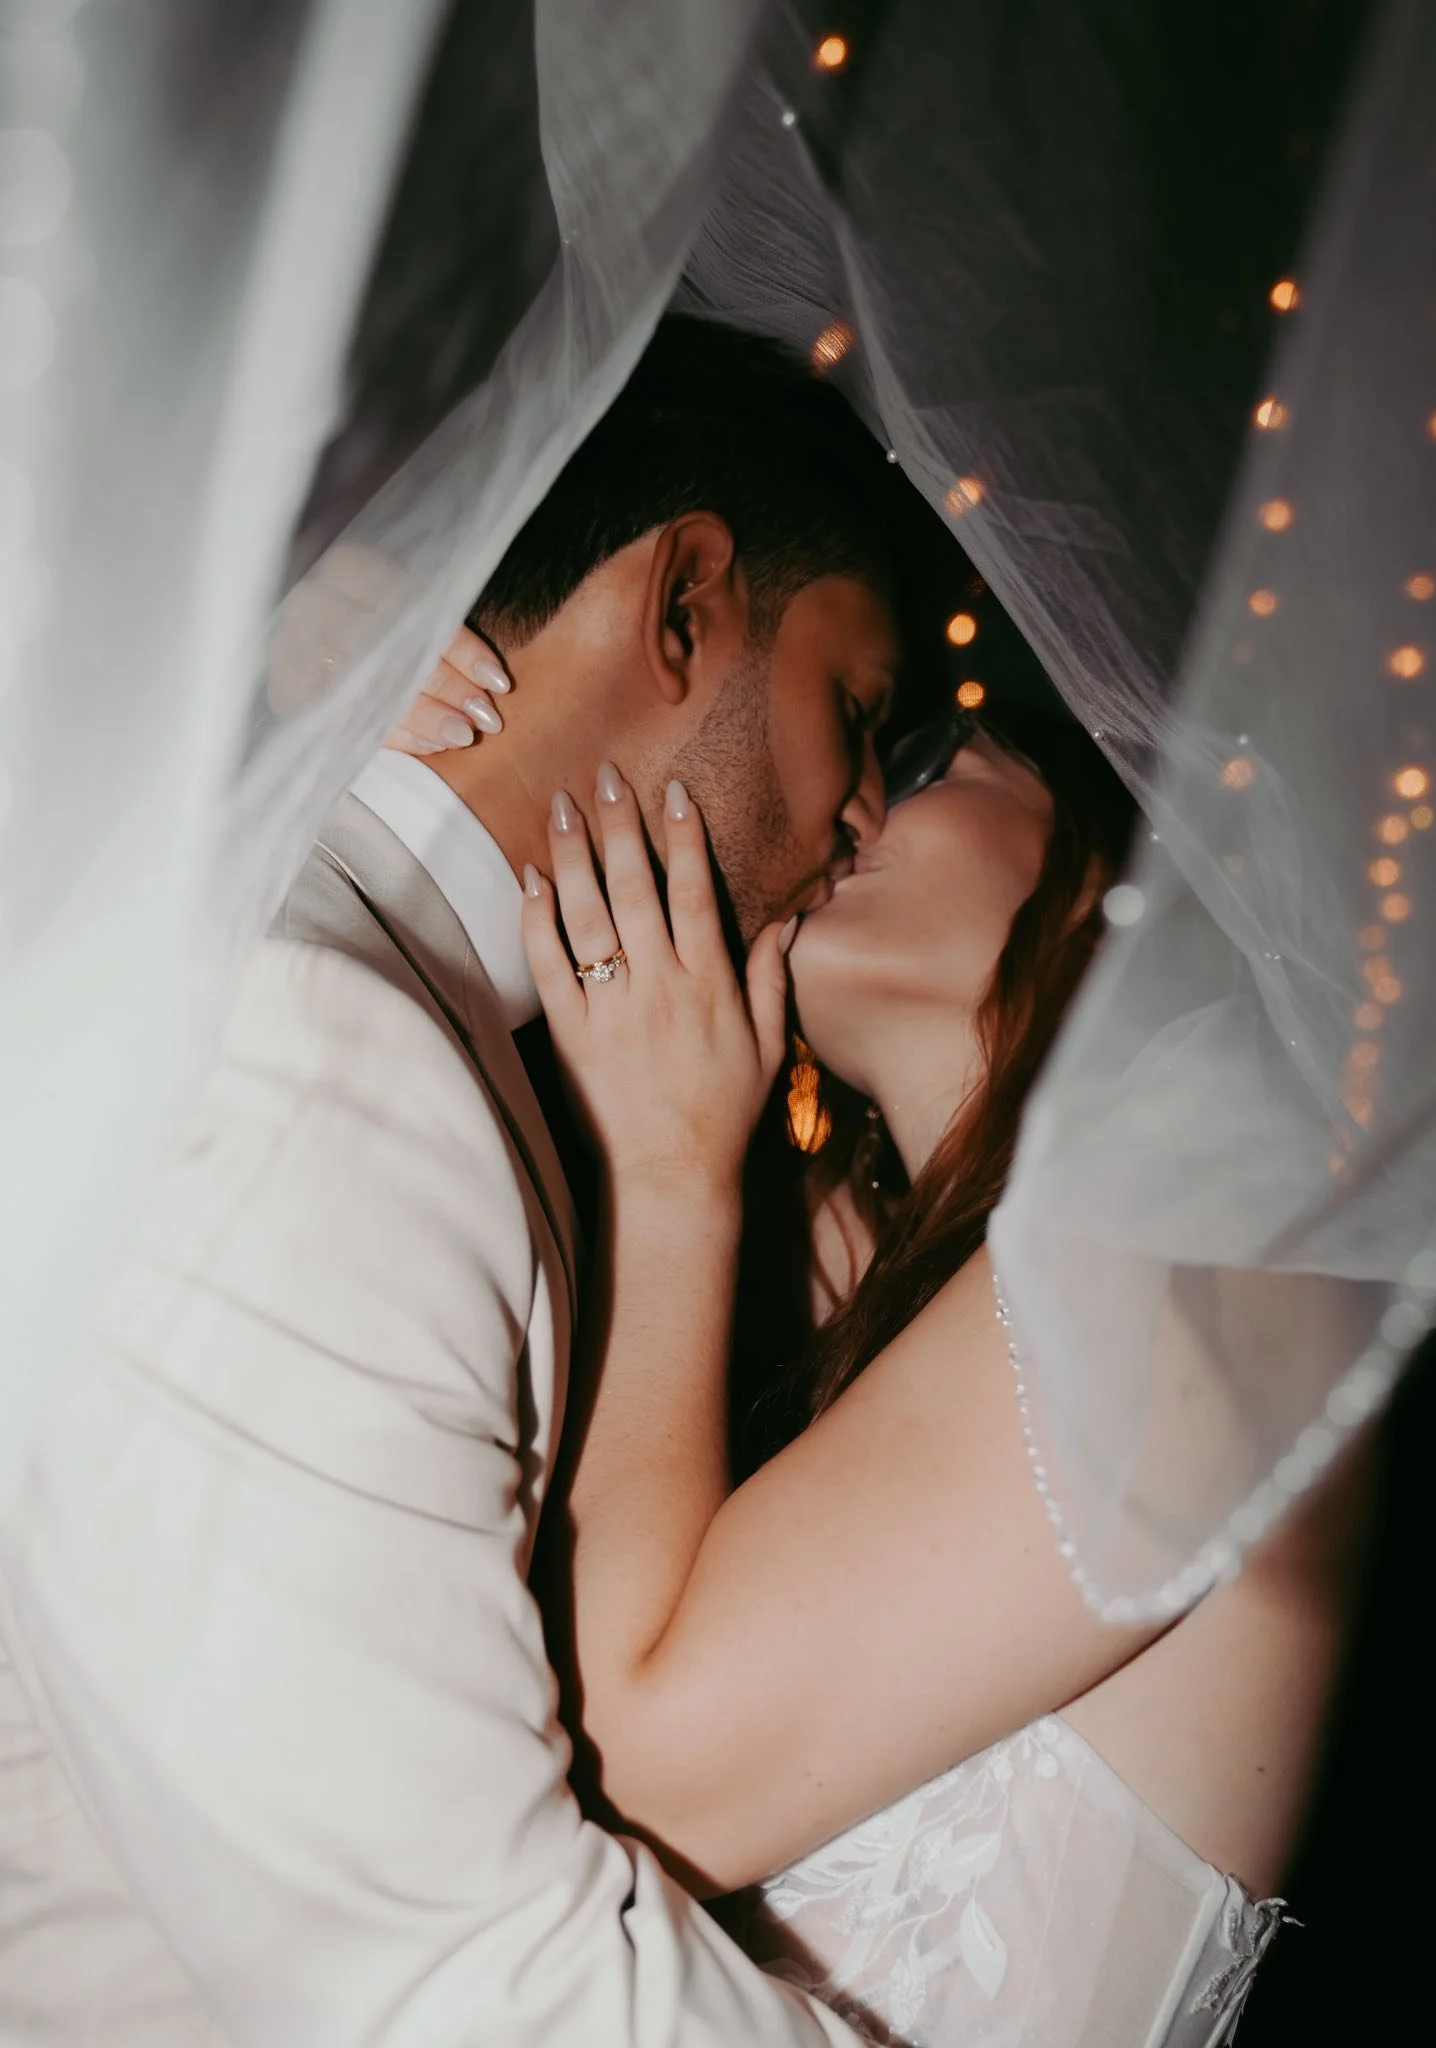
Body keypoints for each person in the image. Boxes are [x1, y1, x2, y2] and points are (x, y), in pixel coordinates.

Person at [0, 321, 900, 2047]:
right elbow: (463, 1978)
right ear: (684, 597)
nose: (866, 816)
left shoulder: (401, 1011)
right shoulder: (317, 1042)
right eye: (854, 709)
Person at [462, 687, 1375, 2047]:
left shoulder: (1215, 1254)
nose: (854, 800)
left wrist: (666, 1178)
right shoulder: (876, 1283)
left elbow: (626, 1780)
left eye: (928, 754)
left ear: (1125, 861)